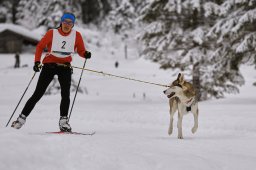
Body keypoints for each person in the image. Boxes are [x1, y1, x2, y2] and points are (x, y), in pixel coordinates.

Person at [11, 13, 91, 132]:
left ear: (73, 24)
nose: (67, 25)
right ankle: (20, 120)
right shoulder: (52, 33)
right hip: (49, 66)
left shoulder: (76, 35)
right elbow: (39, 47)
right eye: (65, 22)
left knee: (65, 95)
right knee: (38, 94)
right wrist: (37, 62)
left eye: (70, 23)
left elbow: (80, 50)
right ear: (61, 22)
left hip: (65, 67)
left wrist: (85, 54)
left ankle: (63, 122)